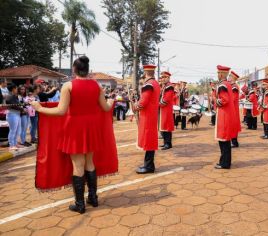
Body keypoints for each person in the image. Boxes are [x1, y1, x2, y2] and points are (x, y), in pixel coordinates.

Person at [31, 56, 114, 213]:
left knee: (78, 165)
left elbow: (61, 111)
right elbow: (105, 107)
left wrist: (39, 108)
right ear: (87, 70)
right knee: (90, 162)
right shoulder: (96, 86)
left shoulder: (68, 85)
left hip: (75, 128)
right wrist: (111, 102)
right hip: (92, 128)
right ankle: (93, 198)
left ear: (74, 69)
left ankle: (80, 204)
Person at [134, 65, 160, 174]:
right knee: (150, 140)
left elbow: (143, 102)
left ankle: (149, 166)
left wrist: (135, 105)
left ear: (145, 73)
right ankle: (149, 164)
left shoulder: (148, 84)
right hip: (152, 114)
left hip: (147, 115)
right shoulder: (156, 83)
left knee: (148, 140)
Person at [214, 65, 235, 169]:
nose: (217, 74)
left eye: (218, 73)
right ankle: (224, 161)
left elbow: (224, 100)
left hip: (224, 115)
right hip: (226, 114)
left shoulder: (223, 85)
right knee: (224, 140)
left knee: (224, 140)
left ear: (222, 74)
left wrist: (216, 101)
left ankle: (225, 163)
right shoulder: (227, 84)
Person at [159, 71, 175, 150]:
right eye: (162, 77)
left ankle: (168, 143)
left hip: (166, 108)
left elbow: (167, 99)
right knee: (163, 126)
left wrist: (158, 104)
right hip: (163, 109)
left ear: (168, 78)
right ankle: (165, 142)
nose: (163, 79)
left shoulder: (170, 86)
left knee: (167, 126)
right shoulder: (164, 86)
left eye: (164, 77)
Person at [5, 83, 24, 151]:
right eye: (16, 88)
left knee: (18, 130)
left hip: (17, 114)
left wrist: (21, 108)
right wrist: (22, 109)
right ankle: (11, 145)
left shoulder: (14, 96)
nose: (17, 90)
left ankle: (15, 143)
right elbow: (14, 106)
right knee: (13, 130)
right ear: (13, 89)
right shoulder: (9, 96)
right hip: (12, 115)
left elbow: (17, 105)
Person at [229, 71, 241, 147]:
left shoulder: (234, 87)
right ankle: (233, 141)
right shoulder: (232, 86)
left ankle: (234, 142)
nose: (228, 77)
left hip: (233, 109)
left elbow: (233, 99)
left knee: (233, 125)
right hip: (232, 108)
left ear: (233, 78)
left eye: (230, 76)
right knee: (232, 125)